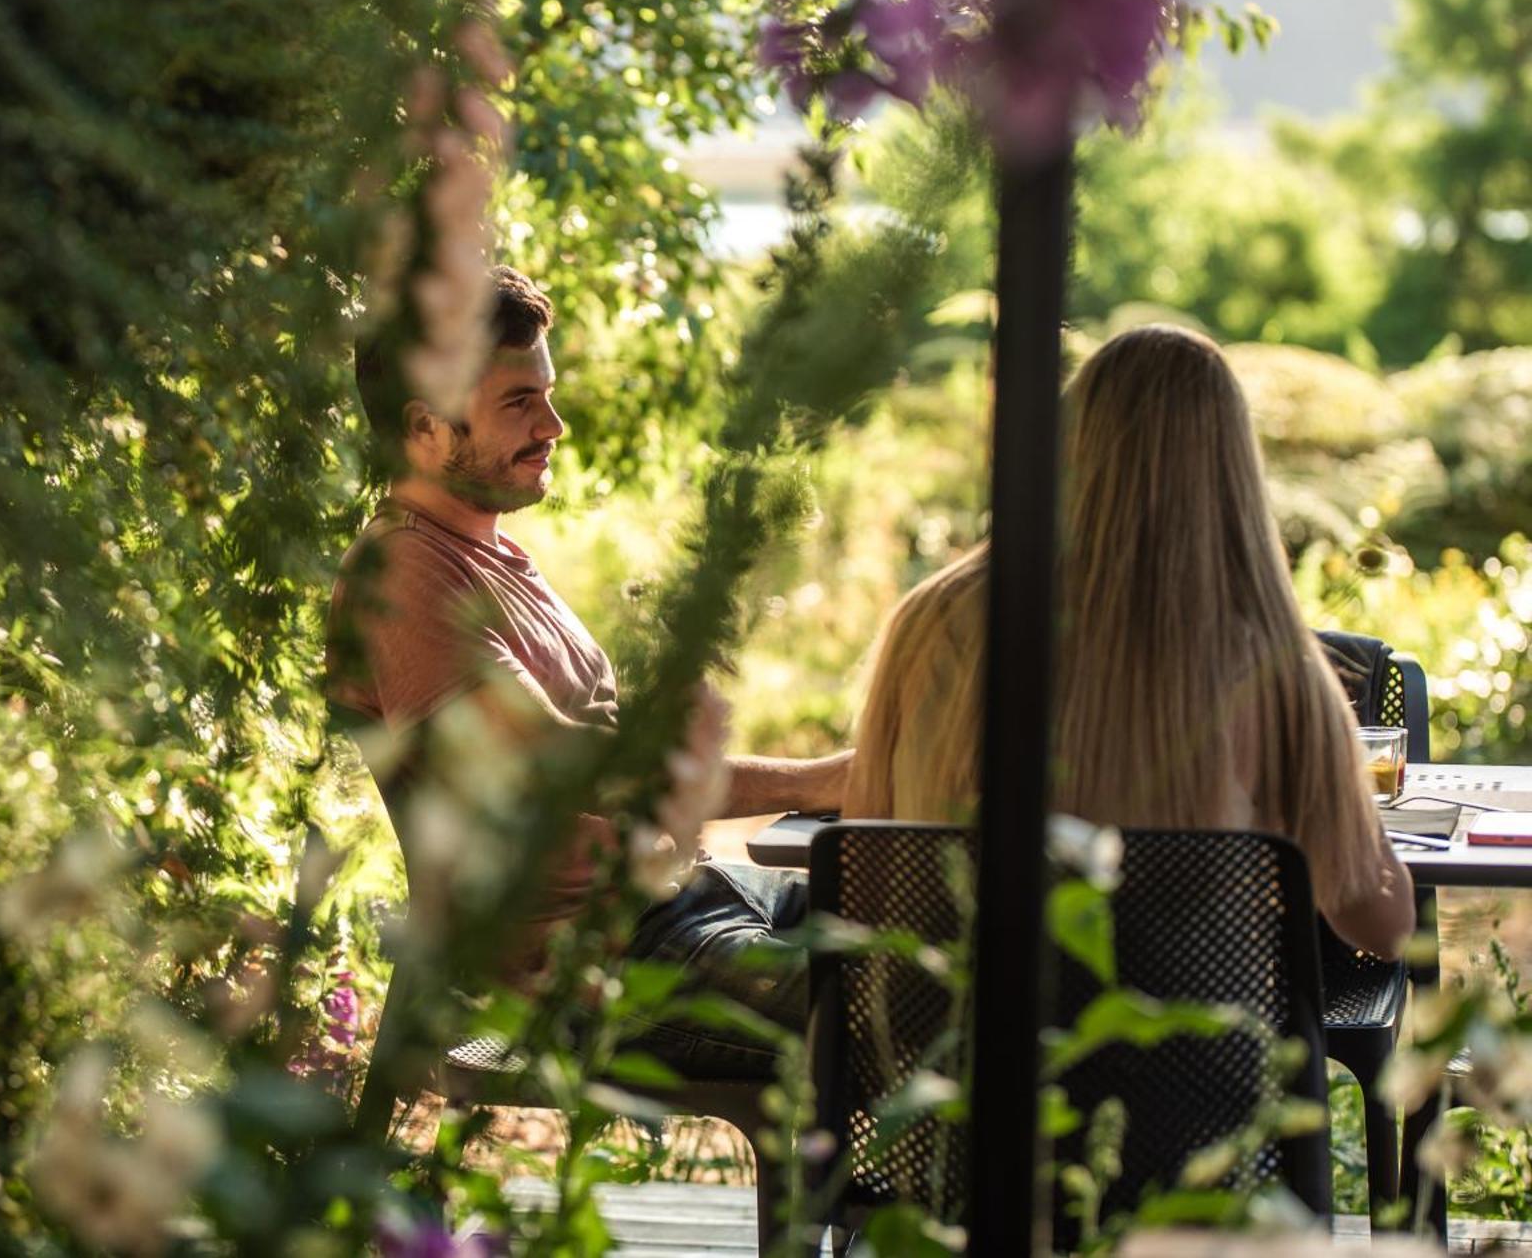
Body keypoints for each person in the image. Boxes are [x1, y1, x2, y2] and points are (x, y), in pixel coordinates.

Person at [327, 265, 851, 1075]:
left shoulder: (492, 554)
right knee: (910, 1002)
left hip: (691, 902)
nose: (554, 425)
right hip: (595, 970)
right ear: (426, 429)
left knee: (964, 930)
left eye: (548, 392)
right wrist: (821, 781)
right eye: (518, 402)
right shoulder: (405, 576)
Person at [842, 323, 1414, 960]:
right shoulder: (1272, 668)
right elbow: (1382, 925)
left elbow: (864, 884)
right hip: (1186, 1057)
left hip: (954, 1050)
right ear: (1232, 475)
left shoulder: (934, 620)